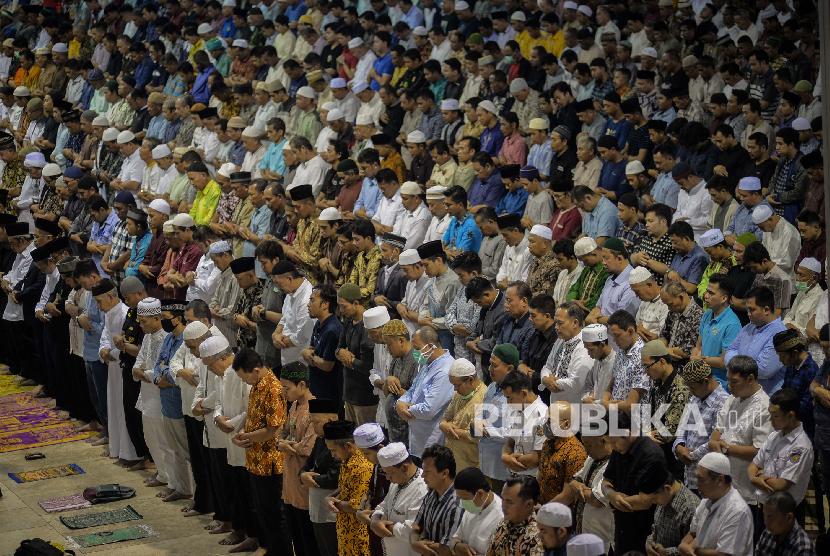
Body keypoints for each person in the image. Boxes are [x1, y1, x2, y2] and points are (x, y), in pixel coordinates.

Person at [232, 348, 289, 556]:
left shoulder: (273, 389)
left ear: (255, 370)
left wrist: (246, 437)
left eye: (244, 377)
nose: (244, 381)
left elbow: (272, 430)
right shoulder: (257, 386)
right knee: (262, 511)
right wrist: (243, 435)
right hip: (255, 459)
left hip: (270, 461)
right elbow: (254, 420)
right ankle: (269, 549)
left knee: (274, 513)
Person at [709, 355, 773, 521]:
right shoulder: (733, 398)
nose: (729, 386)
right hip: (725, 482)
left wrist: (726, 448)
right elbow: (719, 428)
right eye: (728, 380)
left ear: (750, 379)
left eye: (734, 382)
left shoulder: (764, 407)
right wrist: (714, 441)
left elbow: (759, 450)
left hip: (747, 489)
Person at [602, 409, 667, 554]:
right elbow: (606, 481)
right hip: (622, 528)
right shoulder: (619, 449)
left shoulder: (651, 455)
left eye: (614, 442)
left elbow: (645, 501)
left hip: (645, 531)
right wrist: (612, 495)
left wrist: (614, 500)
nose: (612, 447)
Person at [678, 452, 755, 556]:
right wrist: (684, 544)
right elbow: (693, 533)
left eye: (701, 479)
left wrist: (692, 550)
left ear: (720, 480)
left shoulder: (738, 511)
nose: (697, 484)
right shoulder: (706, 500)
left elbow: (725, 554)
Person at [748, 388, 814, 507]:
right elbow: (753, 466)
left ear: (790, 415)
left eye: (775, 416)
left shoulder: (801, 447)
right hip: (764, 502)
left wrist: (757, 477)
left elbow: (781, 485)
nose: (770, 420)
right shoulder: (774, 436)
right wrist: (755, 478)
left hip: (784, 510)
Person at [553, 423, 614, 551]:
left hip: (600, 537)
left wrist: (579, 488)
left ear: (603, 440)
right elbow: (574, 482)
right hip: (581, 532)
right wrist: (581, 488)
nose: (585, 450)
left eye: (589, 445)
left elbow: (597, 500)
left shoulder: (614, 464)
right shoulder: (591, 458)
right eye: (584, 444)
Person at [277, 362, 318, 556]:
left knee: (308, 539)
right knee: (296, 538)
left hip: (304, 486)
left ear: (302, 385)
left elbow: (307, 447)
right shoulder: (293, 405)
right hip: (290, 482)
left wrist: (285, 445)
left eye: (287, 388)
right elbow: (283, 433)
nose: (283, 392)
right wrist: (285, 443)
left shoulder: (315, 409)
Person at [396, 326, 454, 459]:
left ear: (431, 346)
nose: (415, 353)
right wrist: (400, 402)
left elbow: (429, 409)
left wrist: (406, 409)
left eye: (417, 348)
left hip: (432, 441)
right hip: (417, 437)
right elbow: (412, 390)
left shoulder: (445, 371)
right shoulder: (427, 364)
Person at [673, 360, 730, 495]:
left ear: (705, 381)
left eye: (693, 388)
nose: (691, 392)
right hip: (689, 476)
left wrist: (690, 455)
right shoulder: (695, 398)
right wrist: (679, 446)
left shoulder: (724, 402)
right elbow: (682, 429)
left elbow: (716, 442)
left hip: (709, 478)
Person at [324, 419, 374, 556]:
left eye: (333, 450)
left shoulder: (362, 467)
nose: (332, 455)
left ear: (347, 446)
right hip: (345, 532)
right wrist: (330, 497)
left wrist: (333, 503)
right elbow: (344, 486)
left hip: (358, 536)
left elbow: (356, 506)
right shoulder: (347, 460)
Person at [369, 442, 429, 556]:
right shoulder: (397, 482)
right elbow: (384, 505)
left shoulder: (422, 489)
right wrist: (375, 520)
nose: (387, 478)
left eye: (390, 473)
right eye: (385, 473)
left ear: (404, 468)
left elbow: (413, 530)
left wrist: (385, 527)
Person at [725, 286, 787, 393]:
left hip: (766, 396)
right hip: (742, 392)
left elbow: (764, 370)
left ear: (766, 310)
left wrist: (735, 362)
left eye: (752, 310)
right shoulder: (749, 327)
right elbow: (729, 351)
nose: (748, 314)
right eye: (747, 309)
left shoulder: (779, 333)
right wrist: (744, 364)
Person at [335, 283, 378, 426]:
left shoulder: (368, 327)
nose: (341, 311)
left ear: (356, 303)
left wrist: (351, 360)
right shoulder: (348, 322)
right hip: (349, 393)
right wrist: (341, 352)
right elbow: (338, 348)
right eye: (339, 306)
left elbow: (367, 367)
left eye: (344, 306)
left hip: (365, 397)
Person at [409, 444, 464, 553]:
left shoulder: (457, 504)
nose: (422, 475)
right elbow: (416, 526)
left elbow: (449, 549)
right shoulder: (431, 493)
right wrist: (414, 543)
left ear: (444, 473)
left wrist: (419, 544)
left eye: (427, 472)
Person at [540, 301, 592, 403]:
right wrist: (545, 378)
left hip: (574, 406)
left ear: (575, 323)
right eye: (555, 323)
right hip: (555, 402)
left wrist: (553, 382)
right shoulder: (560, 340)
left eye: (560, 323)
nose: (556, 327)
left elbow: (577, 382)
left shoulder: (585, 345)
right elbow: (547, 366)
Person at [449, 466, 504, 556]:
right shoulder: (474, 506)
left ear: (480, 493)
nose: (462, 503)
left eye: (465, 498)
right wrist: (457, 546)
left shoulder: (501, 517)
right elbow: (455, 538)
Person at [643, 471, 700, 556]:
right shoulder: (664, 497)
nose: (653, 502)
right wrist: (649, 542)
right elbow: (656, 528)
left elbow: (694, 549)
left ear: (667, 489)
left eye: (654, 499)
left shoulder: (690, 508)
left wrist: (666, 552)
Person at [487, 476, 545, 555]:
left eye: (509, 502)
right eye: (503, 499)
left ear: (528, 505)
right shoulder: (504, 523)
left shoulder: (538, 539)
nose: (503, 506)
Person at [755, 491, 817, 556]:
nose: (765, 522)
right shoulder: (768, 532)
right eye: (764, 516)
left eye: (770, 517)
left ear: (789, 518)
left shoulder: (803, 547)